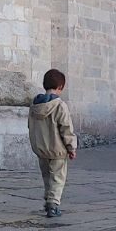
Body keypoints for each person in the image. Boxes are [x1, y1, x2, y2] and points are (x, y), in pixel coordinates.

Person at [27, 68, 77, 218]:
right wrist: (71, 147)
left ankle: (48, 199)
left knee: (46, 176)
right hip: (57, 150)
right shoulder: (60, 105)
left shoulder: (34, 105)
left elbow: (30, 125)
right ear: (60, 87)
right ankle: (53, 204)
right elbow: (66, 129)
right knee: (57, 178)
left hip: (41, 148)